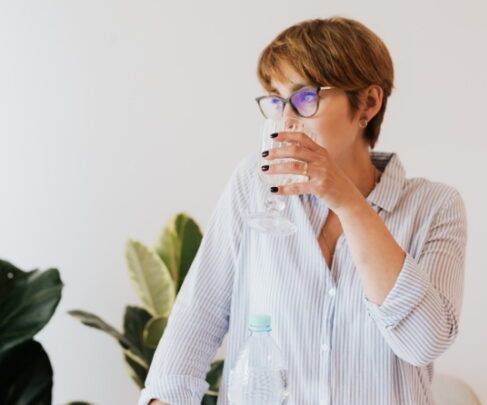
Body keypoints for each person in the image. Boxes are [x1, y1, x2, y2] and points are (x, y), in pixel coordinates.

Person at [139, 16, 467, 405]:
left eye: (306, 97)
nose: (286, 119)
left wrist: (347, 201)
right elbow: (198, 316)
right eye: (277, 100)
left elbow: (422, 342)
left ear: (369, 102)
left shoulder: (434, 207)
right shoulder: (255, 183)